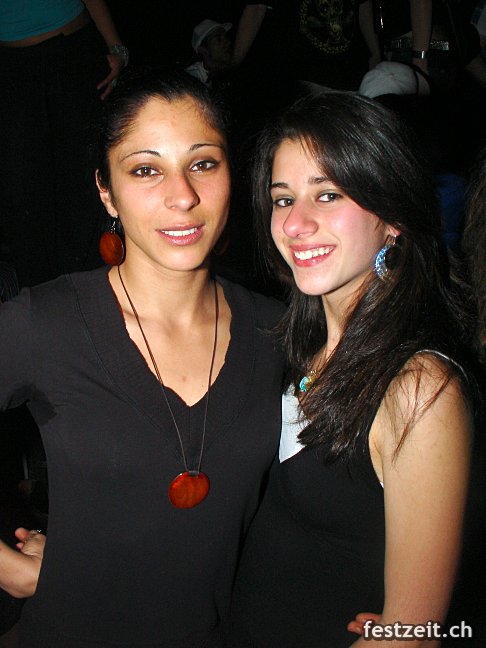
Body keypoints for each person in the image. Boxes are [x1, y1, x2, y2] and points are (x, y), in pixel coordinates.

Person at [0, 67, 284, 647]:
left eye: (203, 163)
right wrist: (7, 567)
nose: (182, 196)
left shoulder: (277, 330)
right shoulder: (45, 322)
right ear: (105, 190)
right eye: (145, 170)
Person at [227, 91, 478, 646]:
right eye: (283, 199)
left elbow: (413, 632)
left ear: (392, 217)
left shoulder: (419, 389)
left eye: (329, 194)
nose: (296, 224)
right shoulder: (295, 345)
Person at [0, 0, 129, 287]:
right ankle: (41, 301)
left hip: (72, 52)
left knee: (87, 179)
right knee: (23, 193)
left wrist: (117, 48)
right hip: (10, 67)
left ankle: (96, 291)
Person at [186, 19, 233, 87]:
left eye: (226, 37)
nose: (228, 43)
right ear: (202, 49)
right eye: (219, 40)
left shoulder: (229, 72)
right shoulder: (191, 78)